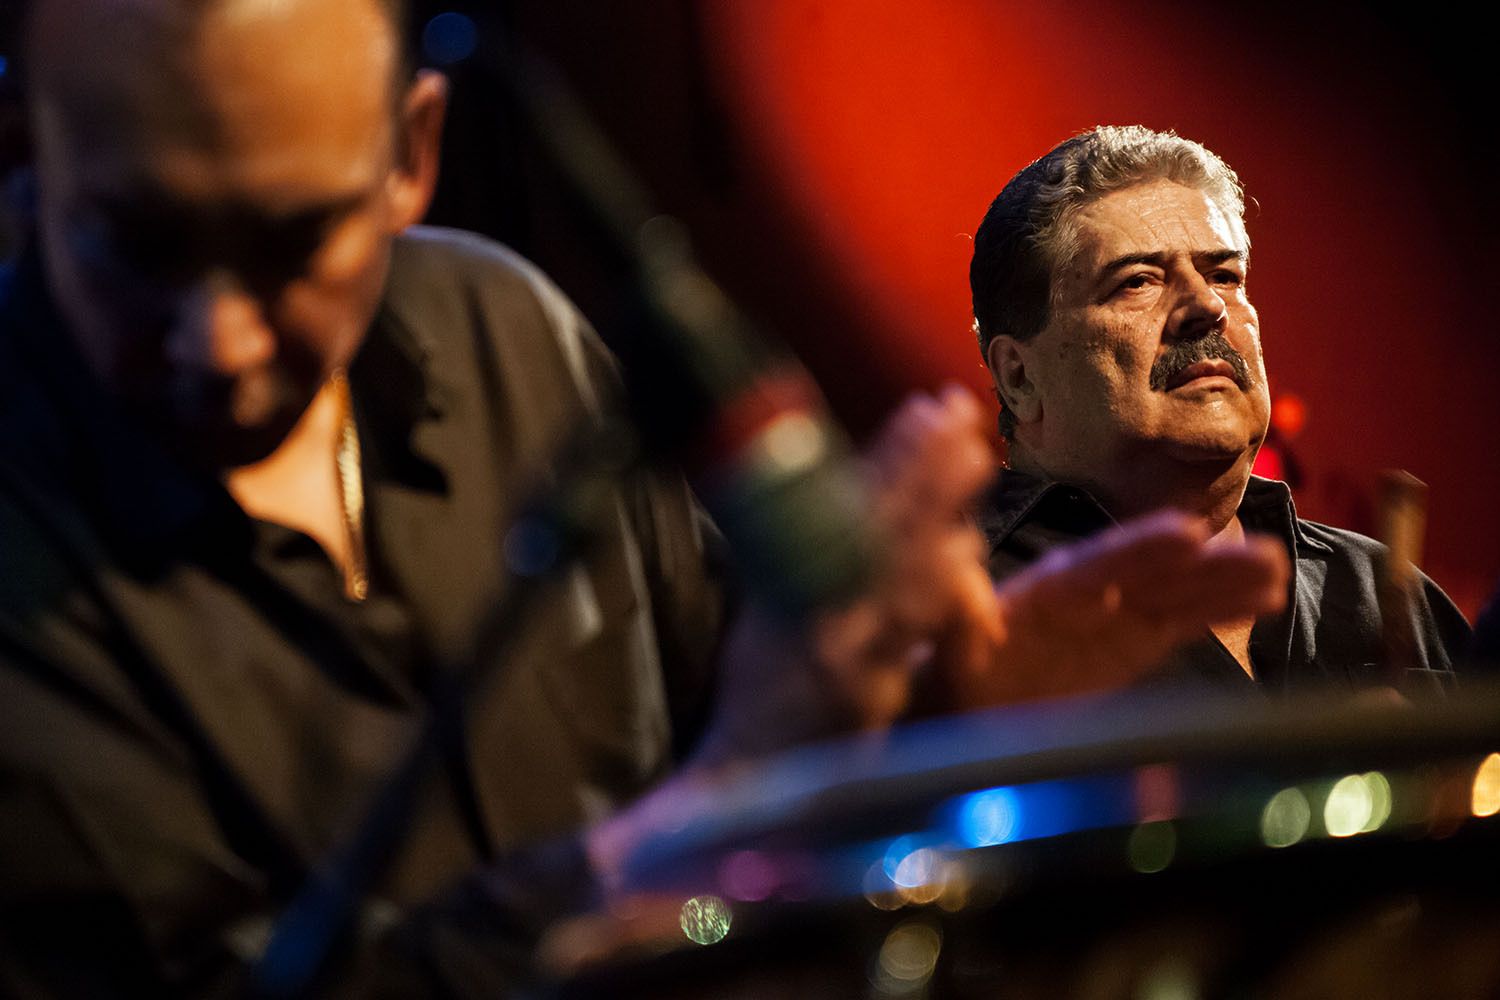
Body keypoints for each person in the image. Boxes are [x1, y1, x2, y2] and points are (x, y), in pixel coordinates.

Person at [0, 3, 1288, 993]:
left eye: (291, 241)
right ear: (33, 153)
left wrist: (922, 725)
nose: (217, 338)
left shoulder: (504, 331)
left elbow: (741, 723)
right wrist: (693, 823)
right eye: (135, 240)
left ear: (409, 156)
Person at [969, 125, 1470, 699]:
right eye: (1137, 282)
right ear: (1019, 376)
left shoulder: (1385, 591)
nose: (1207, 306)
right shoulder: (957, 610)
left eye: (1225, 276)